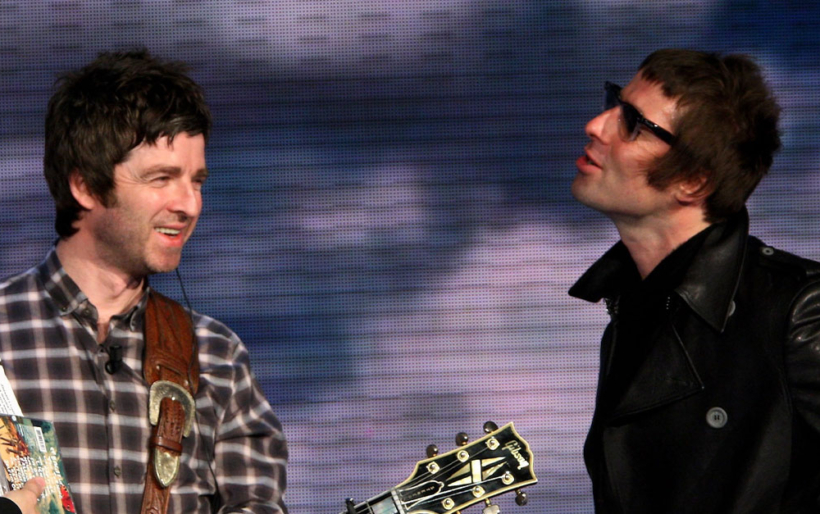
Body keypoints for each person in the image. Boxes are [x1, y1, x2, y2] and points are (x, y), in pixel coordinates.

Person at [0, 50, 287, 513]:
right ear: (85, 186)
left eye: (197, 181)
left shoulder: (217, 357)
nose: (189, 205)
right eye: (162, 178)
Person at [569, 49, 820, 512]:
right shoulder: (631, 314)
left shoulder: (797, 308)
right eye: (613, 102)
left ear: (693, 181)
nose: (596, 125)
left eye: (632, 122)